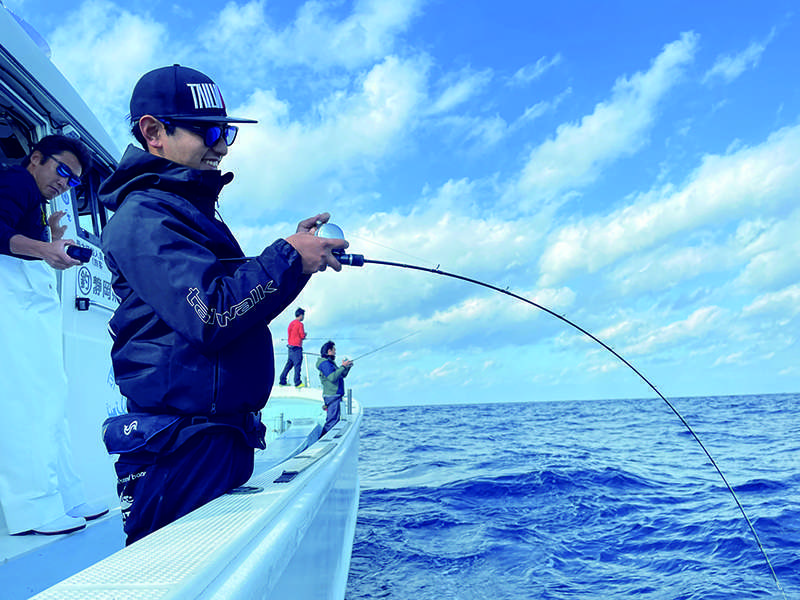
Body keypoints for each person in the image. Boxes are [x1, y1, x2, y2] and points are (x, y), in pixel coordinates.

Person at [98, 64, 348, 545]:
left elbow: (228, 298)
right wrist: (288, 257)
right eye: (209, 131)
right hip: (182, 454)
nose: (222, 146)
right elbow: (211, 314)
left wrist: (297, 260)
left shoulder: (182, 211)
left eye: (227, 131)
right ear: (153, 132)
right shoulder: (146, 215)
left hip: (212, 442)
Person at [0, 135, 108, 536]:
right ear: (36, 159)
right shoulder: (15, 182)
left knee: (50, 400)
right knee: (28, 401)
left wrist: (49, 239)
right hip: (13, 304)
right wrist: (45, 249)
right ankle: (33, 509)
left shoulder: (35, 198)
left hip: (27, 305)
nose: (66, 183)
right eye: (62, 171)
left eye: (74, 181)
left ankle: (65, 494)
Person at [316, 340, 353, 436]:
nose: (335, 352)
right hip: (332, 395)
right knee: (331, 421)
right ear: (329, 351)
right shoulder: (325, 364)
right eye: (334, 350)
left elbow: (342, 375)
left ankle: (327, 437)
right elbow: (332, 377)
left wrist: (347, 367)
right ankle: (323, 439)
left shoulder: (330, 363)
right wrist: (342, 366)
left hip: (335, 395)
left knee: (334, 420)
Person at [279, 307, 307, 387]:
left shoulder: (291, 323)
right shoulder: (300, 324)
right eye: (303, 315)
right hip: (297, 348)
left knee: (289, 365)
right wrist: (305, 335)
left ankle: (282, 380)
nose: (303, 317)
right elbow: (302, 335)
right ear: (301, 315)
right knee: (297, 365)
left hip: (290, 348)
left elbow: (289, 333)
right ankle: (297, 382)